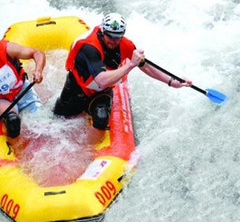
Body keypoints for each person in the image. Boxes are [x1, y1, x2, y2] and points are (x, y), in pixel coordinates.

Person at [53, 13, 193, 133]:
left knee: (101, 118)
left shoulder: (125, 44)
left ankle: (90, 151)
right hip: (77, 88)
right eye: (110, 36)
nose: (113, 41)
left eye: (117, 36)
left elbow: (145, 66)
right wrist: (131, 64)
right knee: (58, 121)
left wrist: (172, 82)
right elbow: (101, 79)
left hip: (101, 92)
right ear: (103, 32)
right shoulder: (89, 47)